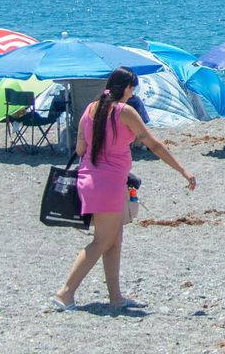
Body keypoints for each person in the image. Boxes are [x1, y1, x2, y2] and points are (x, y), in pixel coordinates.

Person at [52, 67, 196, 311]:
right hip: (107, 184)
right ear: (127, 88)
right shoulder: (124, 112)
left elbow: (79, 149)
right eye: (133, 89)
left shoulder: (90, 109)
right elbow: (154, 144)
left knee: (114, 239)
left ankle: (116, 297)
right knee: (101, 241)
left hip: (90, 180)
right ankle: (65, 293)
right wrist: (183, 170)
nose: (133, 94)